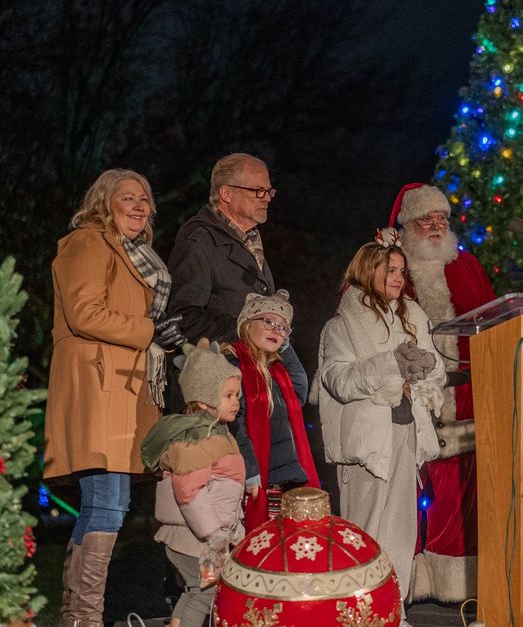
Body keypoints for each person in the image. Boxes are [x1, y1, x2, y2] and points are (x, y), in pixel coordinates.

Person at [44, 168, 185, 627]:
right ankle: (83, 617)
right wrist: (148, 330)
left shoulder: (136, 255)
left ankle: (78, 616)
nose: (141, 205)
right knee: (106, 503)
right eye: (129, 197)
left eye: (146, 198)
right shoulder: (87, 243)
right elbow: (85, 313)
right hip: (98, 387)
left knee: (109, 504)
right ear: (104, 201)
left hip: (123, 389)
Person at [317, 230, 447, 627]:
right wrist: (391, 366)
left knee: (401, 530)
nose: (398, 277)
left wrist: (424, 369)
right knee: (365, 529)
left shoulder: (412, 316)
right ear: (368, 270)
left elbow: (435, 369)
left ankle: (391, 610)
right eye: (390, 270)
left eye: (402, 271)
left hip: (407, 431)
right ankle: (356, 612)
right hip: (368, 441)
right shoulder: (341, 326)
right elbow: (338, 380)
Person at [390, 183, 494, 602]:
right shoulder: (391, 265)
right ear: (407, 225)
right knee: (412, 493)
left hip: (465, 397)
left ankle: (456, 581)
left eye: (442, 219)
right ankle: (405, 576)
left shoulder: (467, 265)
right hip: (409, 395)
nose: (435, 226)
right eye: (425, 219)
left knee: (459, 492)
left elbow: (492, 320)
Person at [166, 153, 306, 412]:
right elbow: (182, 316)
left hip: (253, 381)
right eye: (257, 190)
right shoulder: (199, 241)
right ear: (226, 194)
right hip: (218, 389)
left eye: (269, 191)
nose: (266, 198)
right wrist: (244, 331)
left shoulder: (250, 241)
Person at [141, 340, 245, 627]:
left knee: (198, 591)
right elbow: (189, 491)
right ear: (202, 400)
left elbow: (222, 488)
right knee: (205, 593)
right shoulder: (196, 438)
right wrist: (214, 534)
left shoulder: (216, 433)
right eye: (227, 395)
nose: (236, 401)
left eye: (237, 394)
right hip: (194, 541)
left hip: (202, 539)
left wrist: (231, 528)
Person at [221, 290, 319, 531]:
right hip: (257, 477)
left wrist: (285, 347)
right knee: (257, 540)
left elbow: (300, 391)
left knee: (283, 541)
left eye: (283, 328)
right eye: (269, 322)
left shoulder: (275, 370)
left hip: (284, 475)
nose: (277, 330)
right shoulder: (234, 363)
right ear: (246, 323)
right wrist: (251, 471)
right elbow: (235, 422)